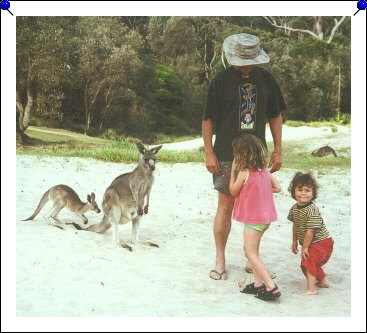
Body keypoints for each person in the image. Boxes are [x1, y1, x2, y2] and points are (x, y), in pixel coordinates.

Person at [202, 33, 285, 280]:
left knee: (257, 209)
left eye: (250, 59)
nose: (246, 64)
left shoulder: (266, 78)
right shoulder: (220, 80)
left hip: (257, 156)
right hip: (226, 153)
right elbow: (207, 119)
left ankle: (252, 257)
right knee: (225, 206)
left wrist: (278, 149)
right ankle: (220, 258)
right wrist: (209, 151)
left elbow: (275, 116)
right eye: (241, 59)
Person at [230, 134, 281, 301]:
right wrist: (261, 191)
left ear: (242, 155)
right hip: (265, 220)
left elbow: (232, 190)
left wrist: (233, 171)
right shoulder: (264, 171)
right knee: (251, 251)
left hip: (254, 221)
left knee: (251, 254)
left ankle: (270, 287)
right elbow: (278, 188)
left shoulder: (244, 172)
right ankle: (258, 284)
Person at [287, 172, 334, 296]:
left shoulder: (312, 209)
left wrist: (305, 247)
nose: (303, 193)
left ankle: (311, 289)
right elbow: (295, 225)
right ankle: (322, 281)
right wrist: (294, 241)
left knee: (308, 261)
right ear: (293, 192)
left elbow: (310, 231)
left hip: (322, 242)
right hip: (311, 243)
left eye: (307, 190)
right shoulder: (294, 208)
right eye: (300, 189)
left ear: (313, 194)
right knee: (307, 263)